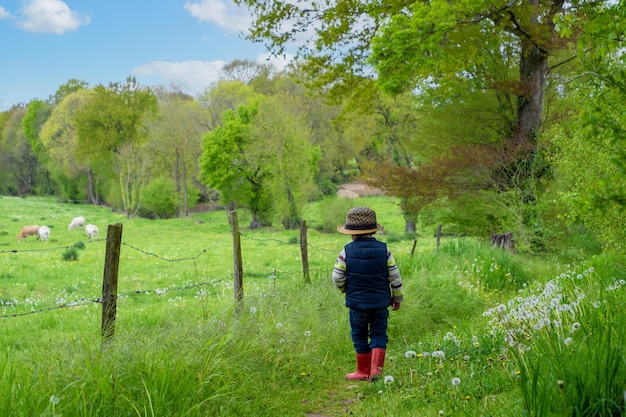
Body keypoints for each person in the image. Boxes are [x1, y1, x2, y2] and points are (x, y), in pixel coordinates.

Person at [332, 206, 404, 381]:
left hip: (357, 305)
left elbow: (337, 277)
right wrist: (397, 298)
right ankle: (376, 372)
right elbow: (395, 277)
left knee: (359, 335)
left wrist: (345, 289)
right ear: (373, 230)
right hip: (380, 304)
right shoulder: (384, 250)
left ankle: (362, 371)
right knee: (379, 334)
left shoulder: (346, 251)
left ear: (350, 232)